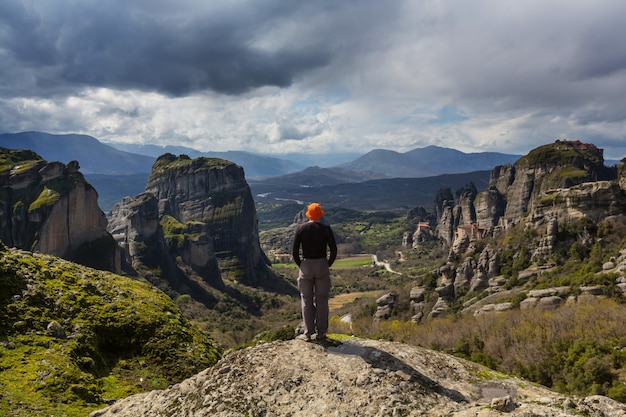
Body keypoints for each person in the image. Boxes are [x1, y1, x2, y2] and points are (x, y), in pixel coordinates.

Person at [292, 202, 337, 341]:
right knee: (322, 300)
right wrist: (327, 263)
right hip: (322, 264)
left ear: (308, 215)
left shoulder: (301, 228)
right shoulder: (326, 229)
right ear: (320, 215)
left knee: (306, 299)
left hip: (306, 265)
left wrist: (302, 265)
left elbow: (294, 252)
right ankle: (322, 332)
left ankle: (308, 332)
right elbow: (333, 250)